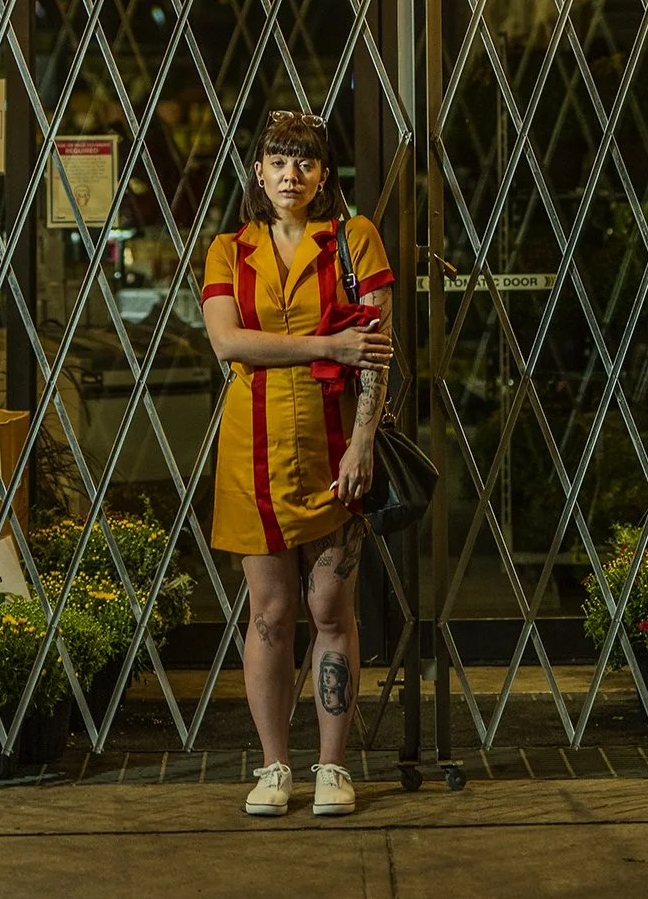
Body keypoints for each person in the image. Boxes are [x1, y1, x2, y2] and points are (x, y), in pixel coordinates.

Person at [200, 110, 395, 817]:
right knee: (272, 613)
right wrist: (327, 348)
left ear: (323, 175)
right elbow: (228, 344)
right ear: (258, 172)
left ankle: (333, 768)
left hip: (334, 446)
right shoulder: (228, 250)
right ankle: (275, 765)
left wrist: (365, 441)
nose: (291, 174)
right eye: (279, 161)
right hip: (251, 450)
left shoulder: (353, 239)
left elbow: (378, 353)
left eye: (306, 163)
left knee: (329, 607)